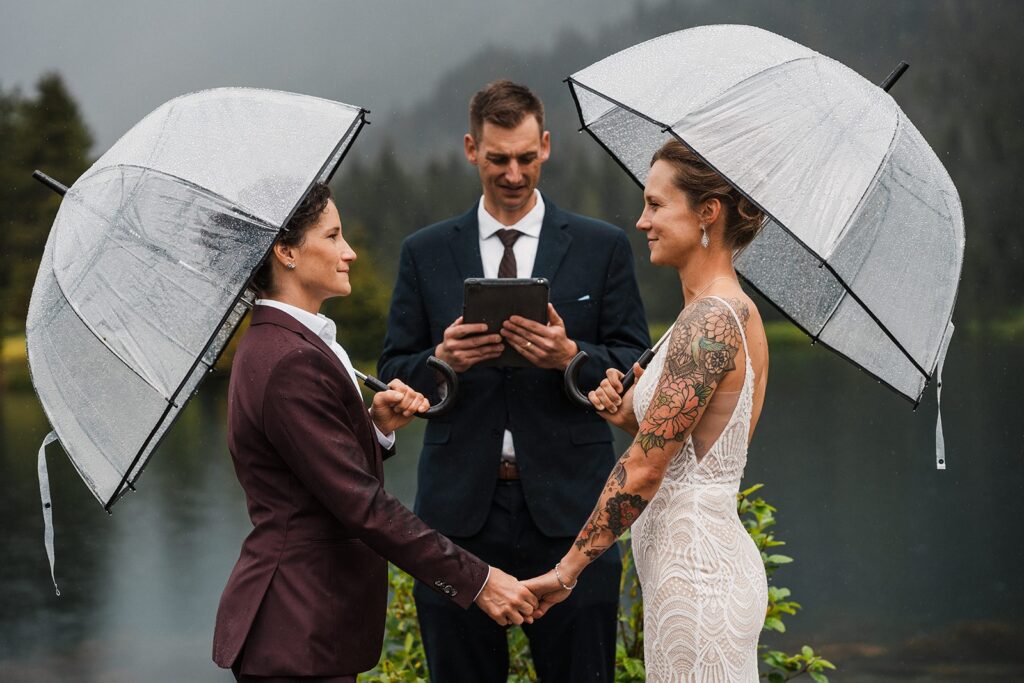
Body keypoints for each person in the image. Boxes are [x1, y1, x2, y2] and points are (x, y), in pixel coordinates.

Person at [377, 80, 650, 682]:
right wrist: (443, 358)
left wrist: (569, 355)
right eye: (498, 158)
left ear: (547, 146)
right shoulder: (424, 253)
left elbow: (636, 363)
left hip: (573, 511)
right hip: (458, 513)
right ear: (471, 149)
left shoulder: (602, 247)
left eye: (526, 157)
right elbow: (394, 370)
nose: (513, 173)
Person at [212, 183, 538, 682]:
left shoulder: (281, 344)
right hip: (296, 625)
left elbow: (313, 474)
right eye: (333, 236)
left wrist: (377, 428)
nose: (350, 252)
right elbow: (362, 506)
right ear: (286, 251)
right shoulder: (290, 359)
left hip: (309, 626)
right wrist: (478, 580)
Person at [524, 138, 771, 682]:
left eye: (657, 205)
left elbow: (645, 467)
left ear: (708, 213)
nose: (642, 222)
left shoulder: (710, 322)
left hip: (699, 578)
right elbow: (699, 441)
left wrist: (566, 573)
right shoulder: (713, 314)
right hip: (686, 569)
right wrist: (624, 409)